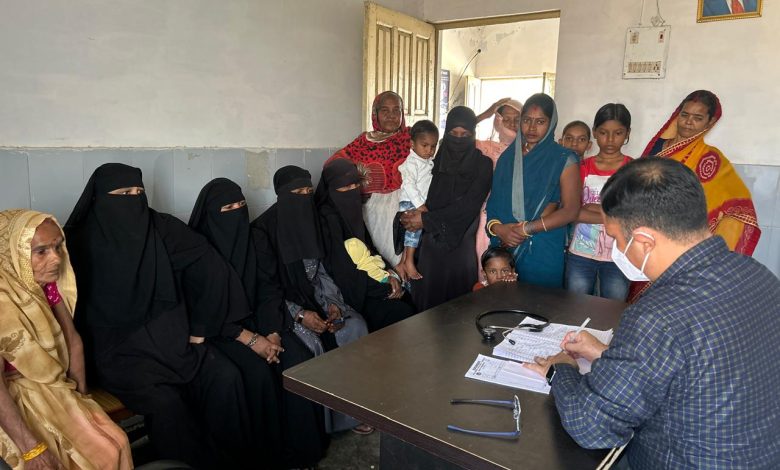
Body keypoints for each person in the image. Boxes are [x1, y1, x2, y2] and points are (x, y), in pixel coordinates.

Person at [526, 157, 780, 469]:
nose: (618, 249)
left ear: (645, 241)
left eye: (616, 239)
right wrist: (606, 355)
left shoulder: (657, 316)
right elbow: (700, 363)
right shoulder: (757, 274)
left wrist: (561, 369)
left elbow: (591, 426)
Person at [65, 164, 267, 469]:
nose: (134, 200)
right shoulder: (77, 242)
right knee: (168, 406)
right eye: (124, 193)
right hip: (119, 355)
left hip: (174, 343)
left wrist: (200, 327)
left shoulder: (160, 227)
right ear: (99, 198)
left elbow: (211, 267)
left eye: (139, 192)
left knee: (226, 378)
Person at [188, 178, 327, 468]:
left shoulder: (255, 240)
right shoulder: (199, 250)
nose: (237, 212)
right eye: (228, 208)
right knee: (257, 373)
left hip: (261, 319)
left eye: (241, 205)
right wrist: (252, 340)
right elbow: (203, 310)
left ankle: (302, 452)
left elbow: (268, 290)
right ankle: (267, 457)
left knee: (297, 360)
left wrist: (273, 334)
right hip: (221, 330)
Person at [0, 210, 132, 470]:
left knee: (116, 442)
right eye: (41, 251)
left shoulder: (44, 287)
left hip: (54, 386)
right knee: (69, 459)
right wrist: (31, 449)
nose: (56, 258)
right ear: (13, 253)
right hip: (13, 398)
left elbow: (73, 341)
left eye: (58, 247)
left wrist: (81, 399)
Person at [251, 166, 373, 435]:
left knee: (354, 326)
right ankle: (324, 425)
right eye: (298, 192)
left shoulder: (313, 220)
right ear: (283, 195)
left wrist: (333, 304)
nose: (305, 197)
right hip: (283, 308)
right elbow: (266, 289)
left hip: (317, 296)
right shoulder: (263, 232)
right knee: (311, 343)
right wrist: (300, 314)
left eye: (309, 191)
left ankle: (354, 414)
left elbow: (322, 272)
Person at [629, 89, 760, 302]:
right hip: (646, 235)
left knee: (670, 301)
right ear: (677, 115)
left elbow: (739, 206)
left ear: (710, 122)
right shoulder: (658, 148)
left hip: (682, 242)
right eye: (685, 115)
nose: (688, 122)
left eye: (698, 118)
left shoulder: (711, 159)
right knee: (640, 299)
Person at [399, 106, 492, 311]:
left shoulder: (483, 165)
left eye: (465, 135)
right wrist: (409, 216)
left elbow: (469, 206)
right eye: (453, 133)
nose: (458, 139)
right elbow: (414, 192)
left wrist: (425, 219)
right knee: (427, 311)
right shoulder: (434, 162)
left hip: (461, 248)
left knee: (459, 312)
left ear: (473, 134)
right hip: (429, 248)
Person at [486, 93, 581, 289]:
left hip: (542, 248)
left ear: (551, 123)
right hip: (504, 249)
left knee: (540, 303)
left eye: (540, 121)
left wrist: (526, 229)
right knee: (502, 303)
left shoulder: (563, 159)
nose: (531, 127)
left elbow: (571, 210)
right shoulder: (507, 158)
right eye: (527, 120)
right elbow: (493, 204)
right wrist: (500, 230)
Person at [314, 160, 414, 332]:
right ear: (331, 189)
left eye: (355, 185)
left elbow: (370, 249)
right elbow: (342, 270)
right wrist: (384, 288)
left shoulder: (351, 212)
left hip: (370, 281)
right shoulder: (326, 219)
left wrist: (390, 275)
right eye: (345, 187)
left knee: (407, 301)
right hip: (349, 290)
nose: (352, 191)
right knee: (399, 313)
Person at [327, 91, 411, 267]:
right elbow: (333, 164)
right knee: (373, 259)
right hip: (367, 212)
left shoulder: (410, 139)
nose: (391, 115)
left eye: (396, 110)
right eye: (385, 110)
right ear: (375, 114)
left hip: (400, 211)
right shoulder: (363, 141)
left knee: (398, 259)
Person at [566, 104, 633, 300]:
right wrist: (614, 215)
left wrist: (590, 208)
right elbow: (573, 212)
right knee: (575, 305)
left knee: (613, 308)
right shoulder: (581, 167)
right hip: (580, 253)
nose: (610, 139)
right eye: (603, 133)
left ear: (627, 133)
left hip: (619, 255)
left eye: (618, 133)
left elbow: (633, 216)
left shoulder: (633, 169)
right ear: (594, 132)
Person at [474, 99, 523, 282]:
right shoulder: (484, 147)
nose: (512, 124)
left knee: (513, 265)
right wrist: (484, 115)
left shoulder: (528, 151)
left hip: (518, 216)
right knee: (487, 260)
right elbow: (456, 135)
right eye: (506, 119)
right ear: (497, 120)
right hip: (487, 214)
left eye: (517, 119)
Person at [395, 120, 439, 280]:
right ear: (412, 144)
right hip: (411, 201)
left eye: (433, 146)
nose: (429, 150)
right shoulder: (412, 162)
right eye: (424, 145)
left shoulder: (426, 161)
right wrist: (420, 205)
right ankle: (409, 261)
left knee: (411, 233)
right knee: (414, 231)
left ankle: (402, 263)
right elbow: (409, 185)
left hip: (417, 201)